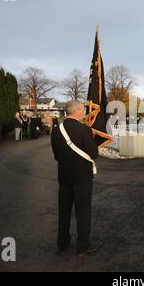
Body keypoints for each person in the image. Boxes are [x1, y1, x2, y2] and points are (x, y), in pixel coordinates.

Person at [51, 100, 100, 258]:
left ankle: (63, 243)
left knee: (64, 211)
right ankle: (82, 247)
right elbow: (93, 154)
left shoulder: (56, 130)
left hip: (64, 177)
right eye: (83, 110)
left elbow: (56, 155)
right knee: (83, 211)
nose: (84, 113)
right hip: (82, 178)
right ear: (78, 112)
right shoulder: (84, 130)